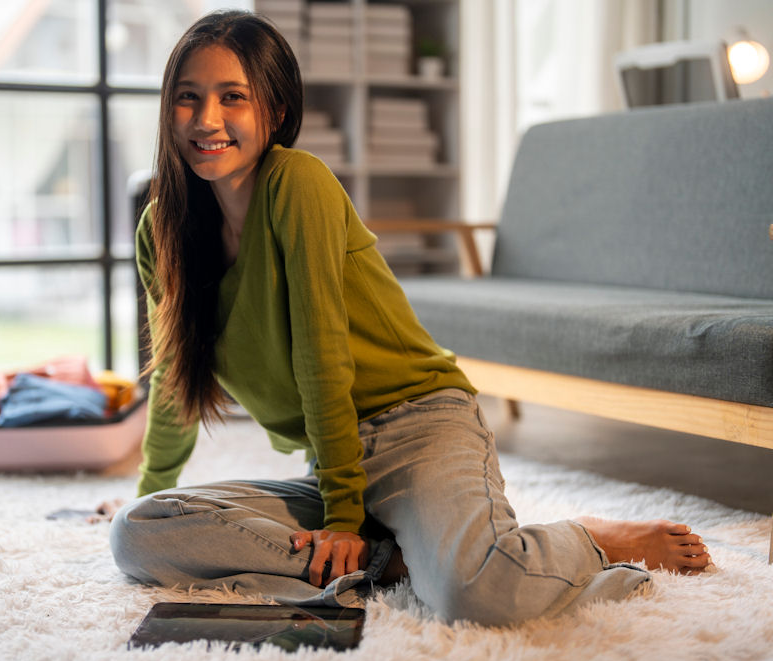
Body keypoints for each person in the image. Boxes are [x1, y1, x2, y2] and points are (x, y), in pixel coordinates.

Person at [102, 9, 713, 626]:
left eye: (232, 97)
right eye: (188, 98)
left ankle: (588, 537)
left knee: (478, 596)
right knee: (138, 531)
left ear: (277, 112)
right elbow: (178, 383)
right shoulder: (163, 230)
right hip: (334, 455)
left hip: (420, 427)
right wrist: (156, 487)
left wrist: (341, 516)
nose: (206, 120)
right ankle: (393, 560)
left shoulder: (297, 183)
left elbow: (321, 355)